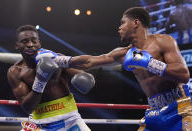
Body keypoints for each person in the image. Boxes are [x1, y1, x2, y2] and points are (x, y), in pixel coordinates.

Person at [37, 7, 192, 130]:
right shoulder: (123, 54)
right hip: (154, 112)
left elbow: (184, 75)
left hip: (179, 108)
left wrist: (150, 63)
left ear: (136, 22)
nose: (119, 28)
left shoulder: (163, 41)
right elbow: (89, 61)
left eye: (122, 23)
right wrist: (59, 59)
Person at [7, 25, 94, 131]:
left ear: (39, 43)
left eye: (34, 41)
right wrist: (40, 80)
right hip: (37, 124)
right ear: (17, 45)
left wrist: (83, 78)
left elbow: (85, 79)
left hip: (69, 119)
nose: (30, 45)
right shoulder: (15, 72)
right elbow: (27, 107)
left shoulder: (56, 58)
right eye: (25, 41)